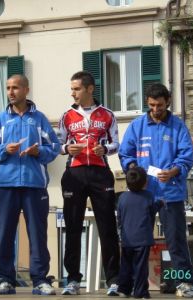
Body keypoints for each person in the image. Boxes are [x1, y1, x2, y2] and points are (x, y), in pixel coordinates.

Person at [119, 83, 193, 298]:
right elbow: (125, 154)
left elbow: (186, 156)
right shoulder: (136, 126)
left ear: (168, 101)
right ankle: (128, 285)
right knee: (133, 242)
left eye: (160, 105)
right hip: (140, 195)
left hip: (169, 193)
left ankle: (184, 283)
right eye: (152, 105)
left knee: (176, 240)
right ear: (147, 102)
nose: (156, 109)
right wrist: (133, 169)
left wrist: (173, 172)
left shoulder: (178, 126)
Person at [0, 74, 60, 296]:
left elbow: (54, 147)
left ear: (26, 90)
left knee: (37, 233)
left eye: (15, 87)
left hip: (34, 185)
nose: (10, 92)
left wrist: (39, 152)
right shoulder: (0, 120)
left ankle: (40, 280)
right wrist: (3, 151)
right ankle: (6, 280)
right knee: (4, 233)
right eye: (8, 87)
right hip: (4, 185)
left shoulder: (39, 119)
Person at [58, 71, 120, 296]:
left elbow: (116, 145)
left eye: (76, 89)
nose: (72, 93)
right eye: (72, 89)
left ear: (90, 89)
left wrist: (105, 149)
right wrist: (66, 149)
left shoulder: (108, 115)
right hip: (74, 173)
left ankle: (113, 278)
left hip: (100, 173)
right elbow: (58, 143)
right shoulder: (67, 115)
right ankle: (73, 279)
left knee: (108, 227)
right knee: (72, 227)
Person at [117, 166, 163, 299]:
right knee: (140, 267)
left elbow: (119, 217)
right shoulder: (148, 196)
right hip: (142, 238)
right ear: (145, 182)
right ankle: (140, 292)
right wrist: (160, 203)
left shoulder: (122, 197)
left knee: (126, 265)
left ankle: (124, 289)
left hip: (126, 238)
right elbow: (151, 211)